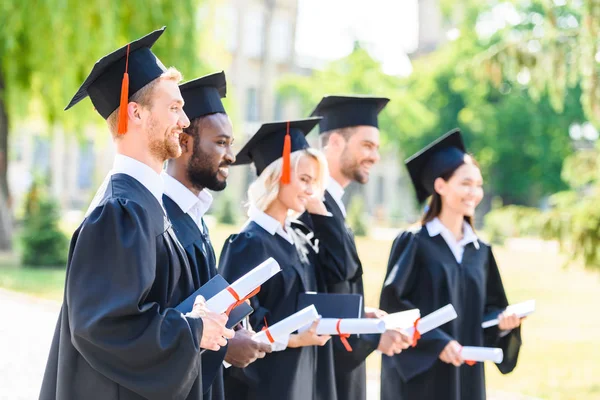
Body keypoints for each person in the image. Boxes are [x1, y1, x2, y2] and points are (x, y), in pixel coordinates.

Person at [39, 28, 233, 400]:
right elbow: (104, 326)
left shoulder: (147, 202)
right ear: (136, 113)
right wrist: (193, 330)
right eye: (174, 108)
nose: (184, 120)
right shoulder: (119, 212)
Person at [379, 129, 523, 400]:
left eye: (478, 185)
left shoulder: (480, 251)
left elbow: (489, 310)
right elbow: (394, 305)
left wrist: (504, 324)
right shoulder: (415, 242)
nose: (474, 193)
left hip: (466, 376)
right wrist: (437, 342)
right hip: (421, 379)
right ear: (440, 186)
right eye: (466, 184)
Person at [163, 71, 271, 400]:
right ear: (184, 142)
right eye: (221, 142)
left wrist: (235, 327)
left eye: (231, 143)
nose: (232, 156)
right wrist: (223, 347)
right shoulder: (156, 218)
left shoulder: (195, 217)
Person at [300, 95, 411, 400]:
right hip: (324, 375)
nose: (375, 156)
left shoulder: (333, 206)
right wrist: (372, 337)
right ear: (335, 143)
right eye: (367, 146)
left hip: (343, 370)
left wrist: (364, 315)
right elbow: (317, 298)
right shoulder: (309, 210)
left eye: (376, 147)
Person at [218, 118, 337, 400]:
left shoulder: (298, 238)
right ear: (276, 175)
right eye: (304, 179)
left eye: (314, 182)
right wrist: (296, 339)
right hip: (266, 384)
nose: (310, 190)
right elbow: (239, 330)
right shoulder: (248, 244)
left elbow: (341, 268)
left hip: (303, 376)